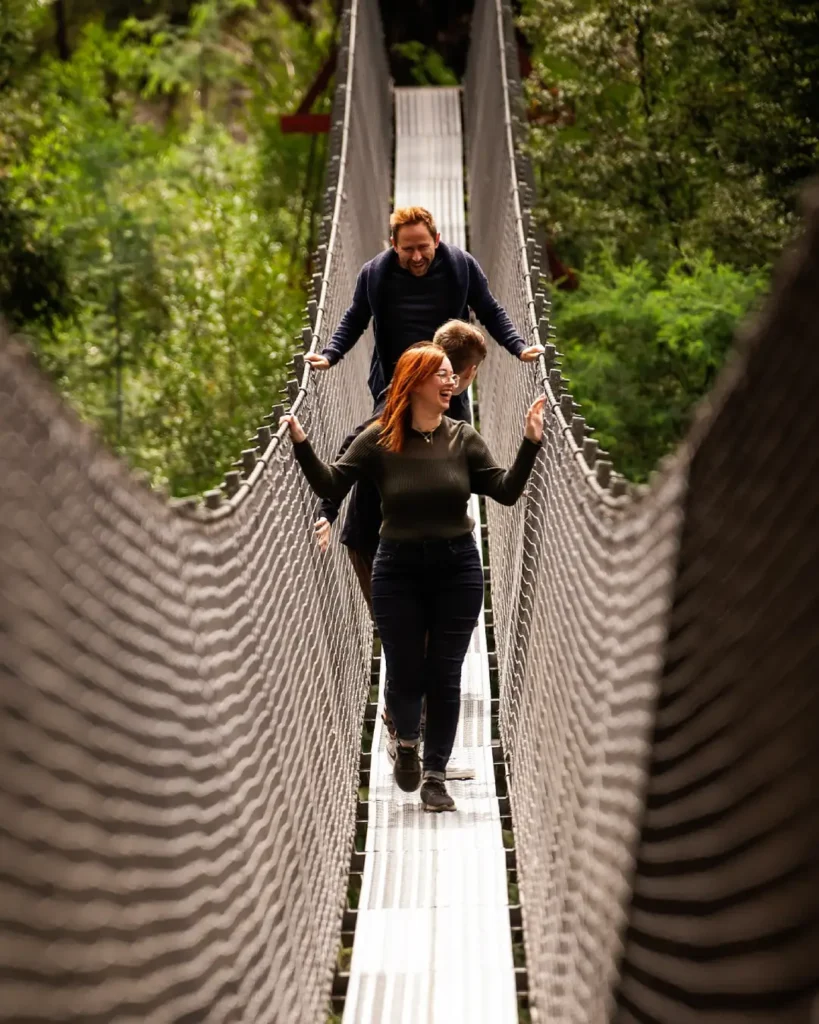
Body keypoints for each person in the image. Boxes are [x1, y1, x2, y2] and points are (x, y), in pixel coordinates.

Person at [281, 344, 545, 812]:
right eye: (442, 375)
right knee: (405, 672)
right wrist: (302, 443)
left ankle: (435, 776)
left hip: (457, 567)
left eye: (452, 375)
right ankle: (406, 743)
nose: (453, 382)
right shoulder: (379, 439)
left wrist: (530, 441)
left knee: (444, 674)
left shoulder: (464, 438)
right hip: (398, 568)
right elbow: (331, 485)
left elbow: (505, 492)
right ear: (416, 380)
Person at [304, 205, 543, 423]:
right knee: (377, 450)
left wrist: (519, 347)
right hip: (395, 384)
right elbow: (355, 319)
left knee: (461, 458)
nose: (417, 257)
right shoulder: (375, 275)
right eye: (408, 249)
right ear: (394, 245)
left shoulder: (461, 267)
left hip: (447, 385)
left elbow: (490, 311)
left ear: (436, 240)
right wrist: (330, 355)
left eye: (423, 247)